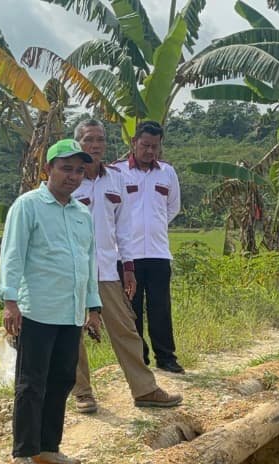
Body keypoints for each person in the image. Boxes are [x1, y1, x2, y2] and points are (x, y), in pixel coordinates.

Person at [0, 139, 102, 464]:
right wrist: (10, 302)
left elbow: (88, 262)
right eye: (66, 169)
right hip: (37, 310)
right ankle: (22, 454)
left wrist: (93, 306)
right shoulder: (28, 206)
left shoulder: (81, 213)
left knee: (62, 380)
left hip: (70, 313)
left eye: (79, 170)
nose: (73, 176)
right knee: (31, 384)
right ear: (48, 170)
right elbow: (12, 255)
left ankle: (47, 448)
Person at [70, 119, 182, 414]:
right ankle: (83, 393)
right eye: (88, 140)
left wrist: (128, 268)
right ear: (78, 143)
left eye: (100, 140)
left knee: (126, 328)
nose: (95, 146)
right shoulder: (69, 181)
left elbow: (124, 228)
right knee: (72, 332)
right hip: (73, 270)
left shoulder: (115, 179)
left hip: (108, 268)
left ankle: (145, 389)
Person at [116, 121, 184, 374]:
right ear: (134, 143)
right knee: (131, 310)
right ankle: (138, 360)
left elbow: (173, 207)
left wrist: (153, 225)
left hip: (157, 252)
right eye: (145, 145)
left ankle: (166, 358)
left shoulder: (167, 172)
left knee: (160, 308)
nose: (149, 151)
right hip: (127, 255)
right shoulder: (118, 172)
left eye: (155, 147)